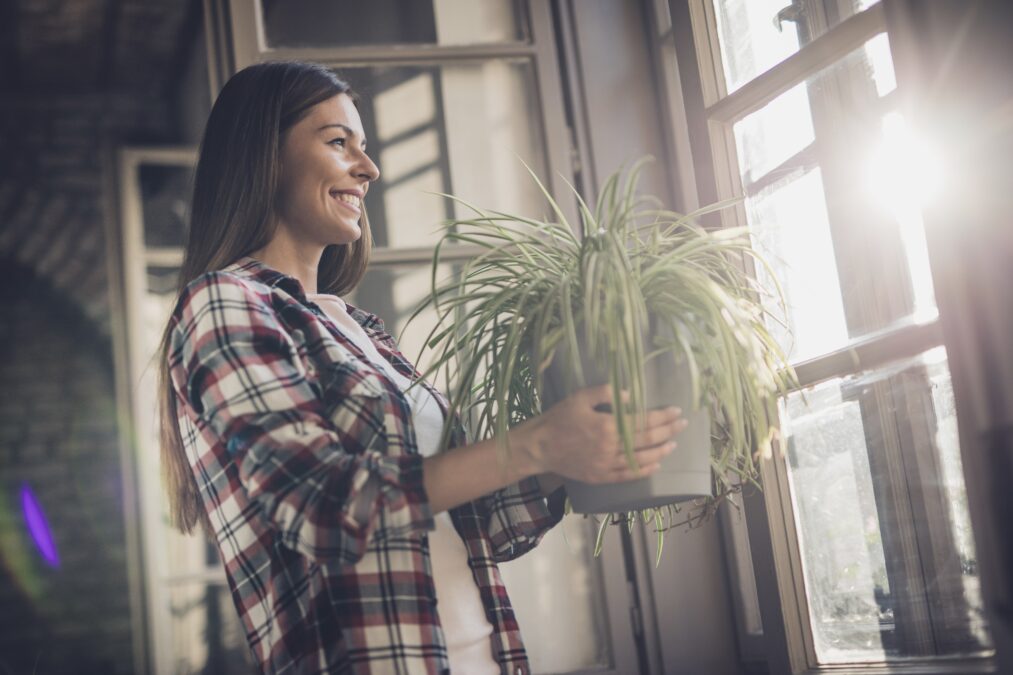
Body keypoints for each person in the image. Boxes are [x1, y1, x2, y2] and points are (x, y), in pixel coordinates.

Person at [157, 61, 687, 675]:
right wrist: (537, 444)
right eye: (338, 142)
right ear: (264, 155)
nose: (369, 167)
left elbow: (477, 521)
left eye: (366, 146)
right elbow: (326, 506)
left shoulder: (358, 328)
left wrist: (577, 449)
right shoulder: (224, 304)